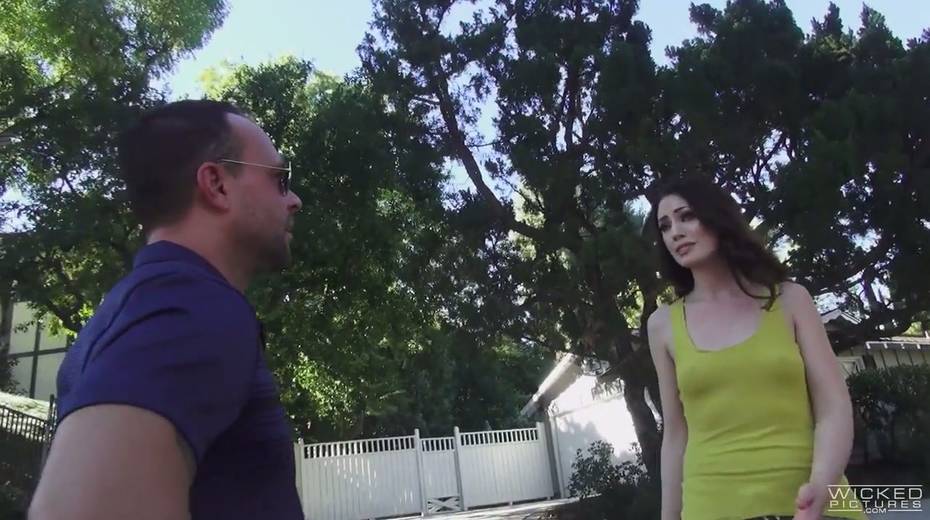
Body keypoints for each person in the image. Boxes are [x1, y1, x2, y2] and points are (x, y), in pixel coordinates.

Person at [29, 100, 304, 520]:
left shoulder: (131, 311)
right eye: (279, 180)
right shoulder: (189, 303)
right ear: (217, 184)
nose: (294, 200)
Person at [646, 176, 866, 520]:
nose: (675, 232)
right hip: (713, 507)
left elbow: (833, 406)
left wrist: (820, 488)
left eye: (686, 216)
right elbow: (675, 435)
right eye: (665, 226)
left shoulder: (791, 299)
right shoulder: (662, 325)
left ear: (717, 217)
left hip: (814, 504)